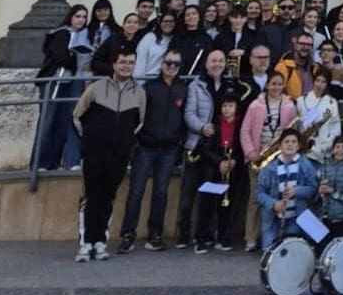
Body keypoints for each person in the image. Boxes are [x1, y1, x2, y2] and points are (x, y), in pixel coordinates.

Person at [72, 50, 145, 262]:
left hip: (119, 155)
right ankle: (85, 242)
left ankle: (100, 241)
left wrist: (124, 144)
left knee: (107, 197)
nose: (126, 66)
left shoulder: (139, 93)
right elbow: (77, 116)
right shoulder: (96, 88)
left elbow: (139, 124)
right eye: (122, 62)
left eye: (130, 63)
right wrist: (90, 140)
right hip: (94, 152)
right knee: (90, 197)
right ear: (114, 64)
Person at [118, 49, 186, 254]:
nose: (172, 67)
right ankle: (128, 234)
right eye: (168, 63)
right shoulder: (149, 88)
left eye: (176, 64)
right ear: (161, 64)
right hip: (146, 146)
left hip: (169, 148)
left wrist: (179, 140)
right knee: (136, 192)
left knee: (161, 192)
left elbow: (184, 117)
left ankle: (155, 234)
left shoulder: (183, 88)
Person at [176, 50, 228, 249]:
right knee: (188, 193)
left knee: (209, 193)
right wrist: (201, 127)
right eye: (214, 61)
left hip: (215, 149)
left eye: (221, 60)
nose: (217, 64)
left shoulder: (228, 86)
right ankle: (183, 234)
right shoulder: (196, 86)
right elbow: (188, 113)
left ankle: (204, 234)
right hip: (196, 145)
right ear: (206, 64)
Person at [242, 70, 298, 251]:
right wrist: (252, 154)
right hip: (258, 157)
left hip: (278, 158)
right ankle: (251, 237)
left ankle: (272, 237)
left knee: (276, 198)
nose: (276, 87)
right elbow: (245, 131)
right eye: (273, 84)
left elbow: (293, 131)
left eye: (279, 84)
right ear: (267, 85)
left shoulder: (290, 106)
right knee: (255, 199)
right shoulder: (255, 105)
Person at [35, 5, 87, 172]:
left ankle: (54, 162)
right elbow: (60, 55)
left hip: (68, 82)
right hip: (54, 81)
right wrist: (75, 61)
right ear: (70, 17)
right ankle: (40, 162)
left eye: (84, 17)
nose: (81, 20)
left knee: (61, 123)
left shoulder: (82, 36)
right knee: (47, 122)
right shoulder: (62, 33)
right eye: (78, 16)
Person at [194, 92, 245, 254]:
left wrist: (234, 161)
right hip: (213, 169)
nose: (227, 109)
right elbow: (205, 148)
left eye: (230, 106)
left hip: (232, 168)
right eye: (224, 106)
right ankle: (202, 238)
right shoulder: (213, 124)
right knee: (206, 205)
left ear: (236, 108)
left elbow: (241, 146)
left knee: (226, 205)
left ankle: (223, 237)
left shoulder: (241, 125)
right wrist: (219, 162)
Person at [255, 128, 317, 250]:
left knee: (292, 247)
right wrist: (273, 203)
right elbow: (259, 193)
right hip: (274, 217)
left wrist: (297, 190)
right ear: (280, 145)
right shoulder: (269, 168)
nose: (290, 144)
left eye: (294, 142)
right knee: (269, 251)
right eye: (286, 141)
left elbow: (313, 189)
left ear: (299, 146)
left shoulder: (306, 165)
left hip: (297, 215)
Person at [316, 135, 343, 243]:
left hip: (342, 219)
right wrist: (319, 191)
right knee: (320, 250)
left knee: (338, 252)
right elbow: (314, 192)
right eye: (337, 147)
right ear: (333, 149)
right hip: (322, 217)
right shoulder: (323, 164)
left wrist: (332, 191)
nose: (340, 150)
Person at [297, 71, 342, 165]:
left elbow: (336, 128)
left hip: (323, 151)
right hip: (304, 150)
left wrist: (326, 145)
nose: (319, 84)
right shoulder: (301, 100)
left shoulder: (332, 103)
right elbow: (298, 125)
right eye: (317, 80)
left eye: (323, 82)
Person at [92, 13, 143, 77]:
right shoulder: (112, 40)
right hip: (110, 78)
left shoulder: (140, 43)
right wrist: (114, 68)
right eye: (129, 22)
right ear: (123, 25)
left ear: (139, 26)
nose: (132, 25)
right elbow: (95, 61)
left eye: (135, 22)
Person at [133, 12, 178, 80]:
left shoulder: (177, 40)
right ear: (160, 23)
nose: (168, 23)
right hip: (148, 79)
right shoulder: (150, 37)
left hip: (169, 80)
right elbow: (140, 62)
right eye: (165, 21)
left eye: (171, 21)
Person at [172, 5, 212, 76]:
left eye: (194, 14)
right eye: (187, 15)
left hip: (197, 79)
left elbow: (207, 60)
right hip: (177, 78)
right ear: (184, 19)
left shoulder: (206, 39)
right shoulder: (177, 38)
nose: (191, 17)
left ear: (199, 17)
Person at [273, 33, 316, 100]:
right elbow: (275, 91)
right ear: (295, 45)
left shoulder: (314, 68)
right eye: (302, 44)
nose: (305, 47)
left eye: (309, 45)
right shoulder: (284, 67)